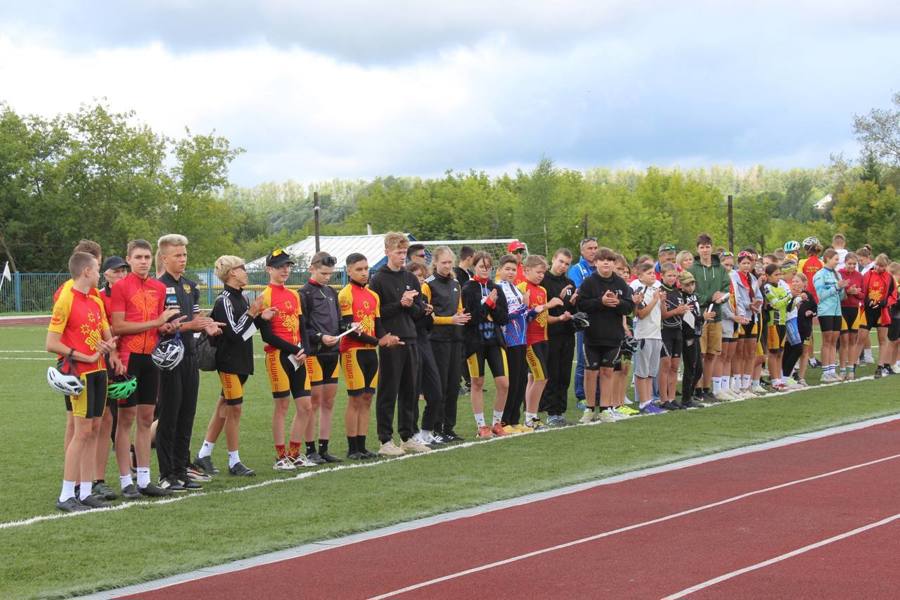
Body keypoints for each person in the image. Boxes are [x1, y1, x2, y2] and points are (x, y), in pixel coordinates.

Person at [47, 252, 124, 511]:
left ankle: (86, 491)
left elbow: (103, 328)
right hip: (80, 372)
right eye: (98, 268)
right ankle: (66, 495)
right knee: (81, 433)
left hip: (99, 370)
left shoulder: (94, 299)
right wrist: (85, 355)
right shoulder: (66, 299)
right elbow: (51, 343)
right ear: (86, 272)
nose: (101, 272)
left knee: (93, 429)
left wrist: (109, 347)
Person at [111, 239, 179, 499]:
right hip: (128, 360)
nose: (143, 261)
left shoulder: (158, 288)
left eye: (147, 257)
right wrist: (156, 321)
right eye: (138, 257)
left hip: (151, 358)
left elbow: (157, 324)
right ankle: (126, 480)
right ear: (128, 259)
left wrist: (165, 327)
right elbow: (118, 326)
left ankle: (144, 479)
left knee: (146, 419)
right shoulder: (120, 287)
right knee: (125, 419)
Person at [195, 255, 274, 477]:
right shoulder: (225, 300)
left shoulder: (241, 298)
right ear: (232, 273)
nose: (246, 272)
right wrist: (252, 313)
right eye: (242, 268)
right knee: (234, 409)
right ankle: (234, 460)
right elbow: (234, 333)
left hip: (242, 361)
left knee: (224, 407)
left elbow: (246, 331)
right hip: (229, 362)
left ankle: (203, 454)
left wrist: (260, 319)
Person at [155, 234, 222, 491]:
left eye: (184, 255)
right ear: (164, 258)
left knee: (187, 414)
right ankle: (166, 474)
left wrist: (208, 325)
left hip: (190, 356)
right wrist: (188, 326)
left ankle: (182, 470)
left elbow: (195, 316)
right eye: (177, 255)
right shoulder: (157, 288)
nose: (182, 260)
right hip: (169, 359)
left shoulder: (189, 286)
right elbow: (158, 326)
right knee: (169, 416)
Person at [368, 233, 431, 455]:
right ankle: (385, 440)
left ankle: (408, 436)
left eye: (404, 252)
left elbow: (416, 311)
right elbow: (376, 314)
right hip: (391, 341)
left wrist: (417, 307)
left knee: (411, 390)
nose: (402, 256)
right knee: (388, 390)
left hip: (411, 337)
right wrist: (400, 303)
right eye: (398, 252)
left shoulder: (411, 278)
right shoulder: (377, 279)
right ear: (387, 252)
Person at [338, 253, 402, 459]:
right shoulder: (345, 294)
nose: (364, 272)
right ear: (348, 271)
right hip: (352, 351)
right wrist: (379, 341)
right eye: (359, 269)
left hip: (370, 353)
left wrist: (388, 338)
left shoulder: (373, 295)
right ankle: (352, 447)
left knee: (367, 398)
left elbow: (378, 325)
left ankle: (362, 445)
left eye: (366, 268)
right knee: (355, 399)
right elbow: (350, 328)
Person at [257, 248, 313, 470]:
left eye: (288, 266)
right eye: (280, 267)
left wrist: (305, 349)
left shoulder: (293, 295)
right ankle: (280, 456)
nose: (285, 270)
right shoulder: (265, 296)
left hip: (298, 355)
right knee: (282, 405)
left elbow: (303, 326)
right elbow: (267, 335)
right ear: (269, 269)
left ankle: (295, 453)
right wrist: (293, 348)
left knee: (306, 406)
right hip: (278, 355)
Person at [577, 247, 635, 421]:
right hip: (592, 335)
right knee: (590, 372)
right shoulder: (589, 282)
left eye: (609, 261)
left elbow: (629, 306)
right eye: (602, 260)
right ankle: (589, 408)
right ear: (596, 263)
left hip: (613, 335)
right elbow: (582, 305)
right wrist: (600, 302)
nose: (606, 263)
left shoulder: (620, 283)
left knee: (608, 372)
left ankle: (605, 408)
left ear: (613, 263)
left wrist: (617, 302)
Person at [91, 255, 129, 501]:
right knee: (102, 419)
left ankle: (128, 474)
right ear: (106, 274)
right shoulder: (98, 297)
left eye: (124, 270)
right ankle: (96, 478)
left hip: (126, 357)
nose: (122, 274)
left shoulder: (128, 293)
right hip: (103, 358)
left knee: (125, 416)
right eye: (117, 271)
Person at [300, 251, 344, 463]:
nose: (327, 277)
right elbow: (303, 327)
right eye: (323, 273)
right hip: (315, 353)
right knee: (314, 402)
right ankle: (310, 449)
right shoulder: (304, 293)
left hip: (333, 353)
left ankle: (324, 447)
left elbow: (338, 321)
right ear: (312, 269)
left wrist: (347, 328)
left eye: (330, 274)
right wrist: (319, 337)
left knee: (329, 401)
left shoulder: (332, 292)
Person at [422, 246, 469, 443]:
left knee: (452, 386)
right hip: (436, 340)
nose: (447, 266)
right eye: (444, 263)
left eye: (450, 262)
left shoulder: (456, 283)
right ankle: (435, 428)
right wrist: (450, 320)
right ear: (435, 263)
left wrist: (459, 318)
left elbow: (458, 309)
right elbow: (428, 317)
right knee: (438, 387)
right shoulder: (428, 285)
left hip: (455, 339)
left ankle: (449, 428)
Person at [462, 251, 510, 438]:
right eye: (482, 266)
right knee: (477, 382)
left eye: (489, 267)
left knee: (503, 383)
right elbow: (471, 319)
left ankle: (497, 423)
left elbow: (503, 318)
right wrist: (487, 304)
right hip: (475, 342)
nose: (485, 270)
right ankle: (481, 426)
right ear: (474, 266)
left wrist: (493, 305)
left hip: (495, 341)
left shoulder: (496, 287)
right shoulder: (468, 288)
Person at [688, 234, 730, 402]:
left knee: (712, 354)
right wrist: (708, 298)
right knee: (700, 354)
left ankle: (706, 388)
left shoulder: (719, 268)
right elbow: (691, 292)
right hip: (700, 316)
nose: (705, 250)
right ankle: (696, 389)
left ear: (711, 248)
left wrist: (722, 296)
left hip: (717, 316)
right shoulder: (693, 269)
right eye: (702, 247)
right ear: (697, 249)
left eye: (707, 246)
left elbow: (727, 288)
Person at [408, 261, 444, 446]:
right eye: (416, 277)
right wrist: (422, 312)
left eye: (422, 277)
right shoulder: (406, 299)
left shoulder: (423, 297)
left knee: (436, 391)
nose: (420, 280)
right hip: (411, 344)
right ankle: (412, 433)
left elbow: (428, 327)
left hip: (424, 343)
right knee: (412, 392)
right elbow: (410, 323)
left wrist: (428, 313)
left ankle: (426, 430)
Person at [539, 249, 577, 426]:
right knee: (552, 373)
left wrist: (574, 304)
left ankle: (560, 411)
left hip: (567, 334)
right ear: (553, 259)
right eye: (560, 261)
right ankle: (551, 411)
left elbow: (571, 309)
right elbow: (542, 309)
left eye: (567, 263)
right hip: (550, 334)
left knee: (564, 374)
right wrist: (557, 301)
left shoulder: (570, 283)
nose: (563, 266)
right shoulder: (543, 281)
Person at [496, 254, 530, 433]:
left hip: (521, 339)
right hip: (508, 339)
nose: (510, 272)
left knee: (521, 380)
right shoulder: (498, 288)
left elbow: (523, 314)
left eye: (513, 269)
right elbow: (503, 316)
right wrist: (524, 307)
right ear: (499, 270)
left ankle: (515, 419)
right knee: (511, 380)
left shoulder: (515, 288)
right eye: (507, 269)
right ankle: (503, 420)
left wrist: (535, 309)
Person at [567, 237, 599, 408]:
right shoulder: (576, 269)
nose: (593, 251)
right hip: (584, 320)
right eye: (589, 248)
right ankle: (581, 396)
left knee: (599, 359)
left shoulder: (600, 267)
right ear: (582, 251)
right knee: (582, 358)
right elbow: (580, 293)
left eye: (595, 247)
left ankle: (598, 394)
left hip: (601, 320)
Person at [629, 263, 664, 414]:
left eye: (653, 273)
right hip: (644, 335)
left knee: (651, 372)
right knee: (642, 371)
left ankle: (649, 400)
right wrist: (655, 300)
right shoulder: (640, 291)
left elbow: (661, 313)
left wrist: (661, 300)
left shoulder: (656, 290)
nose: (652, 275)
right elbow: (641, 314)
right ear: (640, 276)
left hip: (656, 334)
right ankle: (643, 402)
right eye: (649, 273)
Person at [731, 251, 763, 398]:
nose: (746, 266)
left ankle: (746, 384)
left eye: (748, 263)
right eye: (743, 263)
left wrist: (757, 304)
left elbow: (759, 296)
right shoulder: (734, 276)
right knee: (739, 351)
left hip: (753, 316)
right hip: (742, 316)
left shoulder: (753, 278)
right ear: (739, 264)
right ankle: (736, 384)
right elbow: (736, 298)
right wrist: (748, 305)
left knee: (751, 352)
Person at [813, 249, 847, 383]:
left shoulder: (837, 274)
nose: (837, 262)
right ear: (827, 258)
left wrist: (845, 289)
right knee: (827, 341)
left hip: (837, 311)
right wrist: (837, 287)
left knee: (834, 341)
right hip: (825, 311)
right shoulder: (819, 274)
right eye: (835, 259)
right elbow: (821, 295)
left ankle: (832, 371)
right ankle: (825, 372)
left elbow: (840, 296)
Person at [659, 263, 688, 410]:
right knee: (666, 365)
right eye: (669, 275)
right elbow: (663, 315)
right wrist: (677, 311)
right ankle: (663, 399)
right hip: (665, 332)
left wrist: (684, 310)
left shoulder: (677, 291)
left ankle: (672, 397)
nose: (672, 278)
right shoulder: (660, 291)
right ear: (662, 276)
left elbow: (680, 312)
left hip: (678, 330)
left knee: (675, 366)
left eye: (674, 275)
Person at [862, 254, 896, 378]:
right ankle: (852, 366)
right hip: (868, 310)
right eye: (877, 264)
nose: (878, 267)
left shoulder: (889, 278)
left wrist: (884, 303)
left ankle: (880, 366)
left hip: (883, 312)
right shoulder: (868, 274)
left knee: (883, 339)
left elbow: (893, 296)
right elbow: (863, 291)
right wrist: (867, 301)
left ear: (886, 266)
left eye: (881, 266)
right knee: (861, 337)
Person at [679, 271, 709, 407]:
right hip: (687, 335)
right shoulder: (682, 297)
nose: (690, 287)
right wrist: (703, 318)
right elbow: (687, 319)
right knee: (691, 367)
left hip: (695, 334)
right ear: (681, 285)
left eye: (692, 284)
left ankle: (688, 396)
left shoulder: (693, 296)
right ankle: (686, 398)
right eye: (687, 284)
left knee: (698, 369)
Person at [762, 263, 792, 391]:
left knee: (780, 352)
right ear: (767, 276)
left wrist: (793, 299)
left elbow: (785, 304)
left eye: (779, 274)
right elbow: (776, 304)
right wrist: (789, 297)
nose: (778, 277)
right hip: (773, 323)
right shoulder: (767, 287)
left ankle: (779, 379)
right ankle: (774, 380)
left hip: (783, 322)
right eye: (775, 275)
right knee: (773, 353)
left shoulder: (781, 286)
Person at [838, 253, 865, 380]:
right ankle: (842, 369)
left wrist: (856, 293)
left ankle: (851, 369)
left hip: (855, 310)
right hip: (842, 309)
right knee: (844, 341)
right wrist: (848, 291)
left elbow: (864, 294)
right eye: (850, 263)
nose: (852, 266)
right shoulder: (839, 273)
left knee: (853, 340)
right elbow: (837, 290)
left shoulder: (859, 276)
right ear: (845, 262)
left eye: (854, 264)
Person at [799, 237, 823, 369]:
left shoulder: (803, 262)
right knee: (812, 330)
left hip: (806, 298)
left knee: (807, 330)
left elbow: (799, 278)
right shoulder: (821, 262)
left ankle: (810, 357)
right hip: (819, 298)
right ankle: (812, 358)